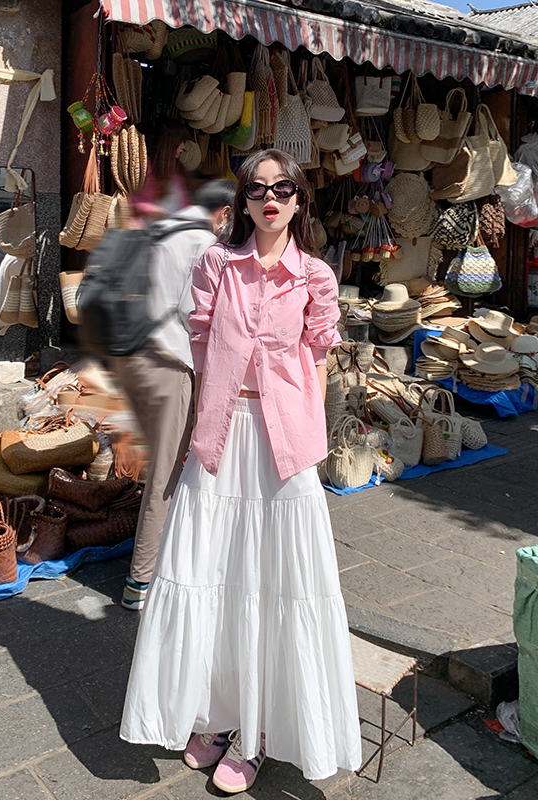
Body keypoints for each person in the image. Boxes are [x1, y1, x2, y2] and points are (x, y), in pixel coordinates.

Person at [119, 150, 362, 792]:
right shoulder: (215, 265)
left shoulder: (314, 276)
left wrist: (302, 422)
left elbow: (318, 359)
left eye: (282, 188)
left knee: (272, 580)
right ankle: (215, 712)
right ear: (244, 201)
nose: (270, 199)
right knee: (213, 573)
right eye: (257, 190)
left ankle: (255, 733)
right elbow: (201, 342)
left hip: (283, 442)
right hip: (224, 432)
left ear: (299, 199)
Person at [112, 180, 236, 611]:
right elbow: (192, 311)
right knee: (166, 473)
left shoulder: (161, 230)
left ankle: (160, 554)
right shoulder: (204, 245)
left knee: (153, 465)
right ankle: (140, 582)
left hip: (134, 356)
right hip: (169, 361)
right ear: (223, 213)